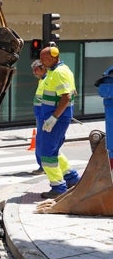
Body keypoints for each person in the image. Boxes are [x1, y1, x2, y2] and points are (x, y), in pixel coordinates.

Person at [38, 46, 80, 198]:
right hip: (54, 118)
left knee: (47, 154)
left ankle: (58, 187)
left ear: (54, 57)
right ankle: (72, 178)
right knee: (54, 151)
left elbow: (66, 97)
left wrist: (53, 118)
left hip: (56, 119)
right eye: (41, 59)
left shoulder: (60, 72)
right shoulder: (53, 71)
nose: (42, 63)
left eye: (45, 59)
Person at [30, 59, 46, 174]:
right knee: (40, 140)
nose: (34, 74)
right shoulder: (42, 80)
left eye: (36, 71)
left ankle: (43, 166)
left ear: (43, 68)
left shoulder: (47, 80)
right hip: (40, 113)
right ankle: (43, 166)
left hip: (43, 113)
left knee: (42, 141)